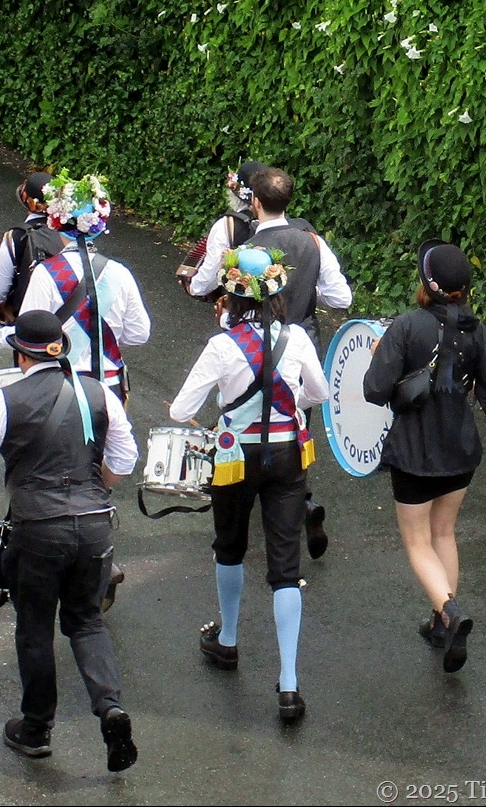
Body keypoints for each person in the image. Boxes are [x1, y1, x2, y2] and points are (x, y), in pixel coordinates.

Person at [0, 309, 139, 772]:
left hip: (38, 528)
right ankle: (110, 707)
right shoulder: (99, 392)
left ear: (20, 354)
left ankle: (36, 728)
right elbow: (125, 458)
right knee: (86, 620)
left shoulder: (5, 401)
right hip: (94, 524)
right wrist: (95, 489)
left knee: (35, 626)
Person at [169, 245, 327, 724]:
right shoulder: (297, 339)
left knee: (230, 546)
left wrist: (220, 420)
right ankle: (290, 683)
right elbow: (317, 393)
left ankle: (230, 639)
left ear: (232, 297)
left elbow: (179, 410)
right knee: (285, 567)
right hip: (287, 455)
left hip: (235, 458)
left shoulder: (221, 346)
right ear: (279, 294)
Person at [363, 240, 486, 674]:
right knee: (444, 534)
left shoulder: (407, 326)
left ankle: (448, 610)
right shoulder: (477, 330)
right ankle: (439, 621)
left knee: (417, 541)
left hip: (413, 451)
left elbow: (375, 389)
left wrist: (379, 359)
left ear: (426, 283)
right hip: (461, 449)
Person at [246, 165, 353, 560]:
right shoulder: (313, 241)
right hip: (302, 343)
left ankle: (274, 503)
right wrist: (307, 295)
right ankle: (299, 498)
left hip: (255, 346)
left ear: (255, 202)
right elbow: (340, 298)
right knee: (295, 423)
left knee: (252, 418)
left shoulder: (246, 249)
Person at [0, 170, 150, 405]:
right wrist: (99, 339)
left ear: (56, 223)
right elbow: (139, 333)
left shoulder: (47, 273)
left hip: (62, 390)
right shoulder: (120, 273)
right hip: (110, 390)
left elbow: (28, 331)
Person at [0, 171, 65, 326]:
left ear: (30, 203)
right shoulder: (72, 232)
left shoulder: (17, 237)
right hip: (71, 318)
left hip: (30, 324)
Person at [179, 159, 264, 301]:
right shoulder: (284, 225)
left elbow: (212, 271)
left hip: (239, 309)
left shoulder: (226, 225)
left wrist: (194, 287)